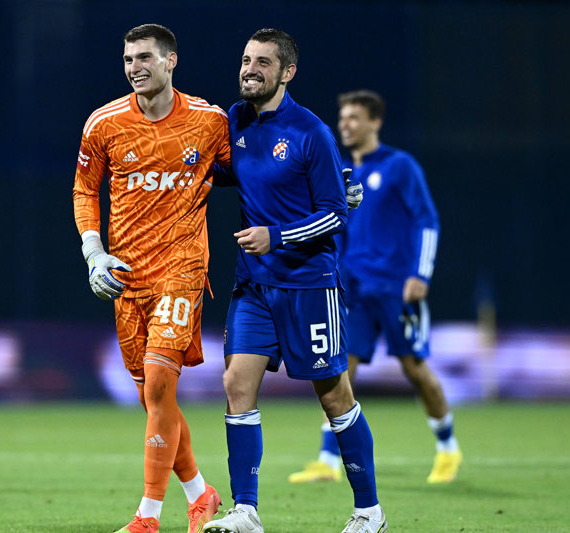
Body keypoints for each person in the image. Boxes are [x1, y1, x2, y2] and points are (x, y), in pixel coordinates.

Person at [203, 30, 386, 533]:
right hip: (253, 285)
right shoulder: (235, 121)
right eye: (246, 59)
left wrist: (276, 235)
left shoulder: (311, 131)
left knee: (334, 397)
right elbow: (227, 171)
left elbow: (335, 215)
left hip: (309, 284)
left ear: (287, 72)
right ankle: (245, 511)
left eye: (263, 62)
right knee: (236, 385)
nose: (250, 69)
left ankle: (370, 511)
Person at [72, 24, 231, 533]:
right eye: (127, 59)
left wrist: (320, 188)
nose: (134, 67)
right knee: (151, 397)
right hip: (127, 276)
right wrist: (94, 253)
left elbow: (251, 174)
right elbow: (84, 189)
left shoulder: (209, 121)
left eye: (144, 57)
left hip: (182, 268)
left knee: (161, 383)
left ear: (170, 60)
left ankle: (148, 516)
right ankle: (200, 493)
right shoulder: (104, 124)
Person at [288, 89, 461, 486]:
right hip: (353, 288)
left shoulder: (399, 166)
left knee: (414, 369)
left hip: (397, 288)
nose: (345, 124)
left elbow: (427, 220)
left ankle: (448, 447)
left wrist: (421, 274)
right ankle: (328, 460)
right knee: (338, 369)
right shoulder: (341, 172)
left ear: (375, 122)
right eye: (342, 118)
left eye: (353, 117)